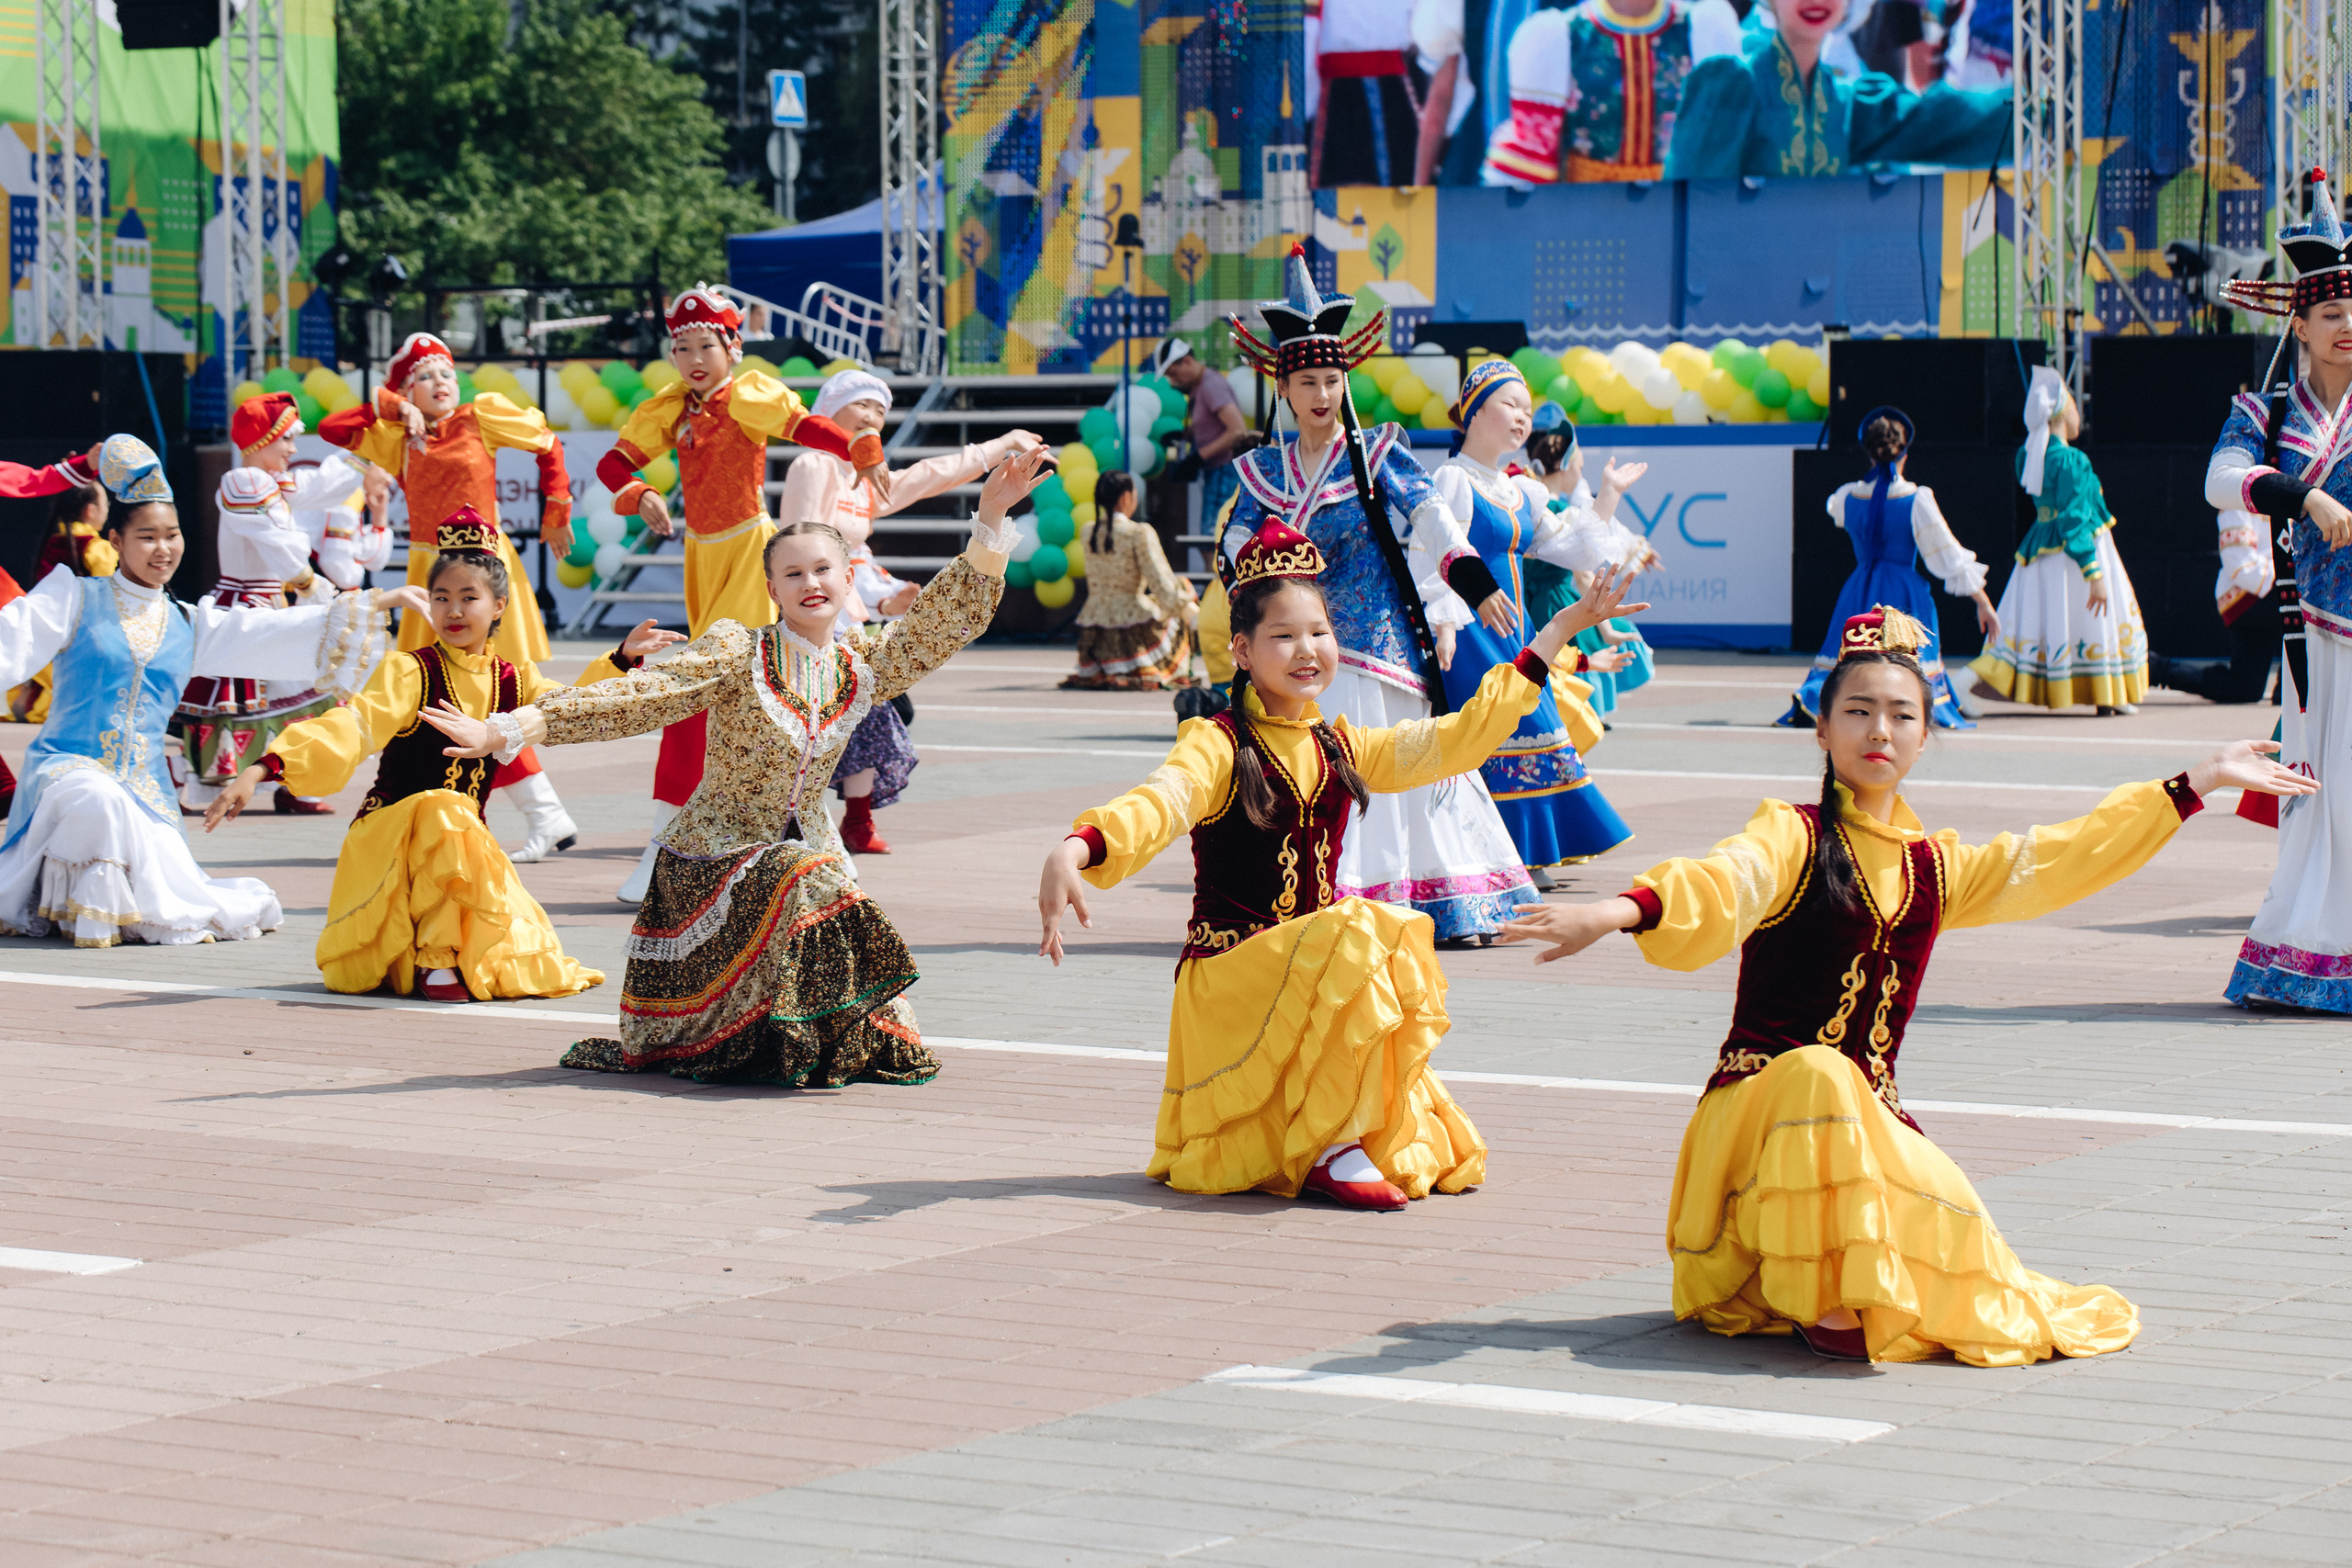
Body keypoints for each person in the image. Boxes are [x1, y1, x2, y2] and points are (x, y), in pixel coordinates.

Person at [1497, 605, 2312, 1362]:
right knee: (1820, 1071)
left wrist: (2197, 781)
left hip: (1866, 1125)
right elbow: (1724, 880)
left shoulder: (1937, 868)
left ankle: (1827, 1274)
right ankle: (1818, 1294)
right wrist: (1616, 910)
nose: (1878, 730)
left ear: (1925, 736)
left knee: (1978, 1263)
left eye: (1900, 715)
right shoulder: (1792, 836)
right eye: (1857, 711)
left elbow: (2056, 856)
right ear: (1821, 728)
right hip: (1755, 1118)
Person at [1039, 519, 1647, 1209]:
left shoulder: (1341, 746)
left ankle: (1332, 1137)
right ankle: (1331, 1148)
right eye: (1284, 635)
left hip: (1314, 983)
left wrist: (1558, 629)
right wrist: (1079, 846)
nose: (1307, 650)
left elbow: (1460, 738)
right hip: (1233, 980)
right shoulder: (1218, 743)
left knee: (1437, 1145)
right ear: (1242, 649)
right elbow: (1163, 801)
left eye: (1320, 632)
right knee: (1367, 923)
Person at [420, 449, 1051, 1084]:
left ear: (848, 579)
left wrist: (992, 516)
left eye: (823, 569)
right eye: (793, 573)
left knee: (871, 1012)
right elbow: (643, 697)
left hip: (805, 856)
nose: (810, 583)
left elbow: (943, 623)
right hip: (713, 858)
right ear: (772, 590)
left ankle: (784, 1037)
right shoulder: (739, 651)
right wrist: (508, 727)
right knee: (803, 874)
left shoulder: (862, 663)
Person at [203, 509, 678, 1002]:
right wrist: (263, 768)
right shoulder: (410, 671)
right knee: (445, 806)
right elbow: (353, 726)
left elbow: (571, 707)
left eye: (468, 598)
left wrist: (622, 658)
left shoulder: (514, 681)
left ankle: (444, 953)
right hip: (391, 835)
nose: (453, 610)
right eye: (441, 598)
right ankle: (435, 960)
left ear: (499, 605)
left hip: (461, 847)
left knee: (514, 944)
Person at [1223, 246, 1545, 943]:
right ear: (1284, 389)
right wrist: (1245, 584)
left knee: (1406, 772)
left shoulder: (1375, 453)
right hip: (1300, 654)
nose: (1321, 394)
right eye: (1307, 381)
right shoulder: (1262, 471)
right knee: (1314, 774)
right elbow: (1235, 544)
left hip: (1376, 649)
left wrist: (1475, 583)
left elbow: (1432, 516)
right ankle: (1323, 899)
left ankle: (1443, 902)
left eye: (1331, 380)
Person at [0, 435, 418, 949]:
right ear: (116, 540)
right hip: (67, 767)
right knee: (96, 797)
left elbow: (267, 633)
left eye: (172, 536)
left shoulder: (187, 622)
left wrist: (380, 602)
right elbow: (11, 640)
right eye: (147, 537)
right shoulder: (74, 596)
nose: (163, 549)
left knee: (171, 884)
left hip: (145, 790)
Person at [596, 294, 902, 895]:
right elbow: (614, 464)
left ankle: (663, 852)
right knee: (743, 701)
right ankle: (811, 843)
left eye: (706, 346)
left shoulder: (748, 396)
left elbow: (810, 428)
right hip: (701, 559)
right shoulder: (671, 408)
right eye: (681, 347)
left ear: (733, 348)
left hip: (746, 554)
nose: (693, 358)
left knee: (710, 693)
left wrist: (861, 448)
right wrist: (639, 492)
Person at [318, 332, 582, 863]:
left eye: (446, 373)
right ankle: (527, 815)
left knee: (491, 695)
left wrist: (557, 509)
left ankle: (535, 815)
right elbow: (332, 428)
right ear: (407, 392)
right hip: (430, 577)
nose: (440, 382)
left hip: (484, 574)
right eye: (424, 377)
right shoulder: (397, 437)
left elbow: (546, 442)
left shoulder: (480, 417)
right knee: (443, 701)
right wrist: (393, 407)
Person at [775, 366, 1041, 858]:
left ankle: (857, 821)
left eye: (880, 410)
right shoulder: (814, 464)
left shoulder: (861, 478)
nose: (872, 416)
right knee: (806, 726)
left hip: (845, 622)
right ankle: (791, 822)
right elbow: (802, 550)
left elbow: (923, 479)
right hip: (809, 622)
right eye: (861, 404)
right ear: (829, 410)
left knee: (862, 717)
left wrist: (885, 596)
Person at [2206, 188, 2352, 1012]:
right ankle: (2309, 954)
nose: (2346, 324)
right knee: (2320, 794)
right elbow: (2221, 479)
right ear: (2298, 324)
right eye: (2330, 311)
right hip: (2315, 643)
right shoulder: (2262, 411)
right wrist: (2305, 497)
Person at [1430, 361, 1644, 877]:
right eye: (1510, 404)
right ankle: (1500, 858)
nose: (1522, 417)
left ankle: (1523, 854)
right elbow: (1434, 549)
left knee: (1534, 728)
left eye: (1527, 409)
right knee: (1496, 731)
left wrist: (1609, 493)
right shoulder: (1452, 478)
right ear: (1474, 411)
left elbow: (1573, 547)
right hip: (1471, 634)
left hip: (1517, 632)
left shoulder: (1520, 490)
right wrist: (1444, 622)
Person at [1782, 405, 1995, 729]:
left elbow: (1843, 516)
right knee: (1904, 657)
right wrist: (1984, 602)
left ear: (1868, 453)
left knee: (1853, 652)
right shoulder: (1915, 498)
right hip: (1903, 592)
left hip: (1860, 589)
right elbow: (1948, 555)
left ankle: (1838, 704)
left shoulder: (1847, 497)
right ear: (1904, 452)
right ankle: (1909, 708)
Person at [173, 465, 357, 816]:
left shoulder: (276, 482)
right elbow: (278, 542)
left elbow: (324, 487)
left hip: (270, 603)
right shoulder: (246, 482)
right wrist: (308, 582)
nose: (292, 447)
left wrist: (362, 456)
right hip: (248, 605)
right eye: (285, 439)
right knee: (259, 698)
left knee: (303, 690)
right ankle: (177, 779)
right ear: (262, 439)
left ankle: (296, 784)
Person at [1664, 0, 2011, 180]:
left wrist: (2039, 114)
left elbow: (1949, 124)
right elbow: (1689, 211)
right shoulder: (1729, 85)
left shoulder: (1848, 105)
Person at [1970, 367, 2148, 715]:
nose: (2079, 414)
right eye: (2075, 405)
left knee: (2036, 624)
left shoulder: (2029, 455)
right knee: (2092, 618)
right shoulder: (2071, 459)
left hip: (2042, 552)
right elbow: (2074, 518)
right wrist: (2093, 572)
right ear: (2062, 411)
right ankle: (2106, 693)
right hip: (2078, 552)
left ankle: (2108, 694)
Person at [1521, 411, 1655, 725]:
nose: (1581, 475)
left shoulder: (1524, 503)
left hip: (1523, 602)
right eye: (1579, 467)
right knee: (1565, 660)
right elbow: (1582, 569)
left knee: (1536, 664)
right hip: (1556, 601)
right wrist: (1605, 627)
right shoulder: (1560, 511)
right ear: (1566, 465)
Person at [1481, 0, 1702, 185]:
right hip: (1584, 210)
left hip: (1676, 208)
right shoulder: (1562, 34)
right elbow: (1530, 163)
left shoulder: (1698, 29)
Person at [1063, 470, 1197, 691]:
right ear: (1126, 497)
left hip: (1095, 624)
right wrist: (1188, 609)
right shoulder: (1138, 532)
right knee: (1182, 585)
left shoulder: (1088, 531)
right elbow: (1160, 580)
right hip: (1132, 621)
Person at [2147, 506, 2284, 705]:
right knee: (2309, 601)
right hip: (2247, 595)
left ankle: (2155, 668)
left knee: (2244, 688)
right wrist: (2290, 578)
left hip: (2268, 590)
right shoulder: (2237, 498)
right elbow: (2240, 562)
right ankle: (2294, 688)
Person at [1154, 339, 1259, 527]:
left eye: (1173, 373)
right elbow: (1210, 425)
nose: (1173, 380)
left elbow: (1238, 431)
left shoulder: (1211, 385)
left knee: (1213, 531)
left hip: (1224, 471)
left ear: (1186, 361)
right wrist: (1183, 436)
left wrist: (1199, 457)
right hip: (1216, 471)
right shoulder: (1200, 385)